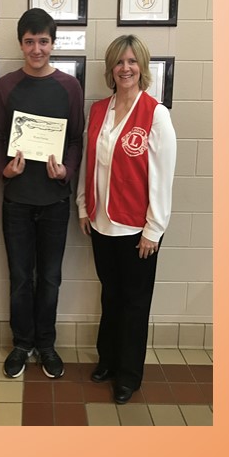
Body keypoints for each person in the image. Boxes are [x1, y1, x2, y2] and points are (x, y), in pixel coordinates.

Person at [77, 34, 177, 404]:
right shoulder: (99, 110)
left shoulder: (156, 114)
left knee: (135, 304)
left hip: (137, 229)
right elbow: (91, 161)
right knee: (111, 296)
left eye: (133, 62)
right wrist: (83, 205)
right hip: (101, 224)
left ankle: (128, 375)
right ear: (111, 68)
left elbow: (163, 176)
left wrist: (154, 229)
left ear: (143, 67)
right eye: (119, 62)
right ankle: (108, 359)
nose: (126, 68)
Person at [0, 9, 84, 379]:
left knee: (51, 278)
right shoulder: (6, 86)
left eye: (43, 41)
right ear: (20, 43)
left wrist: (68, 171)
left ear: (53, 43)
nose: (37, 48)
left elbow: (75, 139)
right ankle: (21, 343)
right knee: (20, 278)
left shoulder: (69, 87)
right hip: (17, 203)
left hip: (55, 202)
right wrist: (3, 169)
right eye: (29, 41)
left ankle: (46, 344)